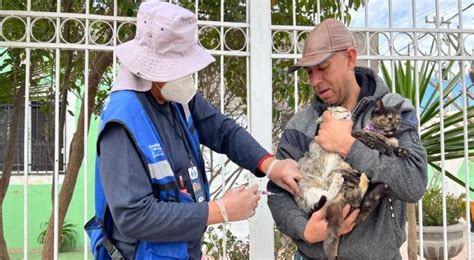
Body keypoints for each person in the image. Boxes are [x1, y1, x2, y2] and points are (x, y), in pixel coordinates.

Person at [85, 2, 303, 260]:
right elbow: (133, 216)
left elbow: (223, 131)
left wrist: (270, 165)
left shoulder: (173, 95)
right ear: (154, 68)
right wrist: (219, 211)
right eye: (179, 67)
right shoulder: (122, 122)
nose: (187, 76)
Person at [267, 18, 427, 259]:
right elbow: (277, 193)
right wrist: (305, 230)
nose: (314, 81)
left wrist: (349, 146)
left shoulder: (393, 109)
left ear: (351, 58)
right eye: (310, 72)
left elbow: (413, 184)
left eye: (323, 68)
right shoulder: (299, 125)